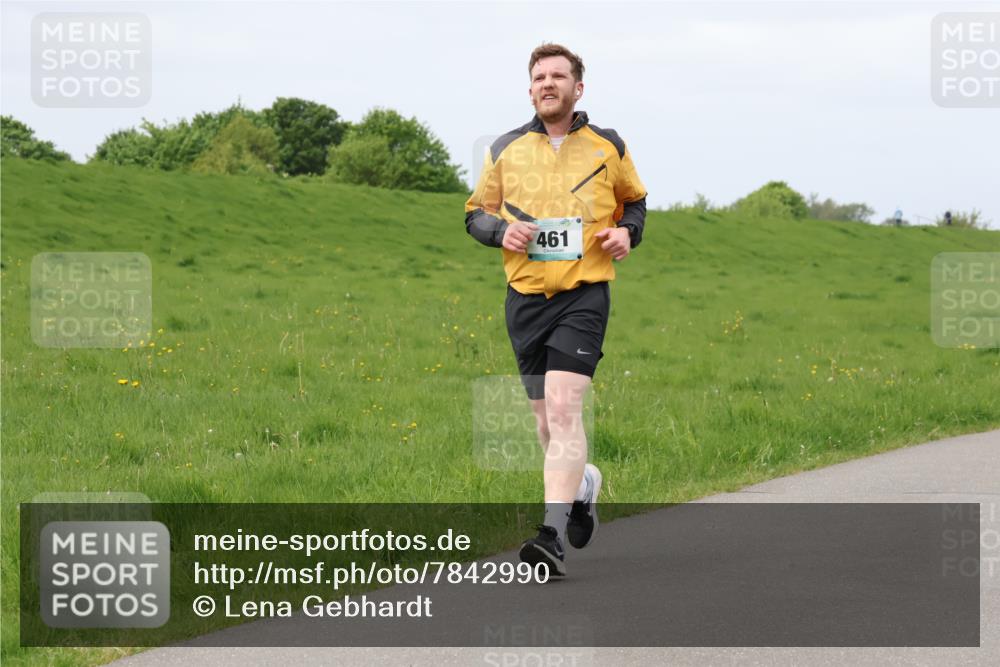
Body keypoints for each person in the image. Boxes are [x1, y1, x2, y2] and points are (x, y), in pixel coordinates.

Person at [464, 43, 648, 576]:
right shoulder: (505, 148)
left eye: (558, 76)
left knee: (566, 409)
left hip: (583, 295)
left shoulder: (607, 145)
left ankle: (550, 534)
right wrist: (503, 230)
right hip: (524, 300)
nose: (548, 83)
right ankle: (584, 483)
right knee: (547, 428)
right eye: (539, 77)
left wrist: (626, 232)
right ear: (530, 90)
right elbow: (475, 214)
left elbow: (634, 200)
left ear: (577, 88)